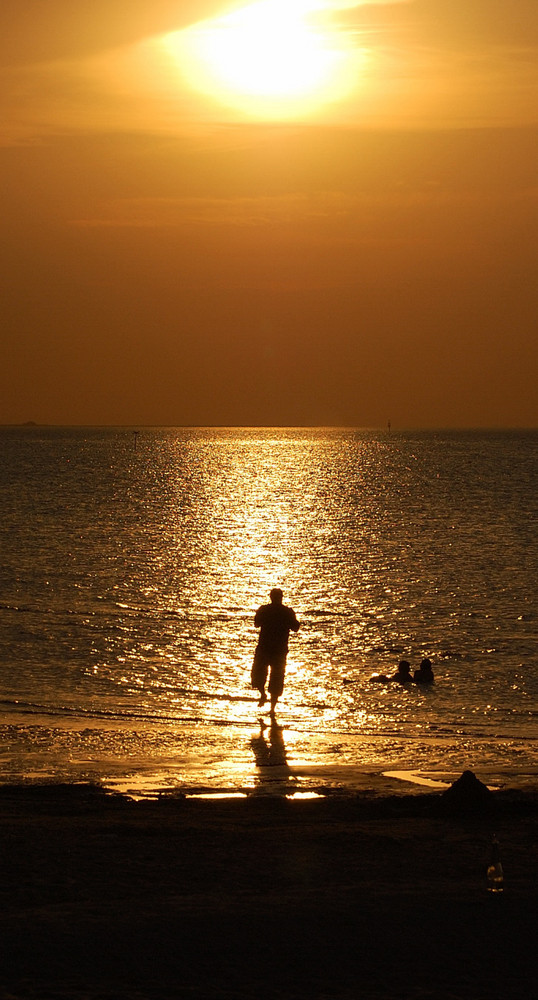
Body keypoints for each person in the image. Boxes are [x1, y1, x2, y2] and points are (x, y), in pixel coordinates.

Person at [251, 588, 299, 714]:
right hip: (278, 649)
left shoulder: (264, 610)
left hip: (266, 648)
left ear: (271, 597)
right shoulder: (287, 612)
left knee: (259, 675)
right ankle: (271, 707)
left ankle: (264, 697)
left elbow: (256, 623)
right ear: (281, 597)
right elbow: (296, 627)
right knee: (276, 679)